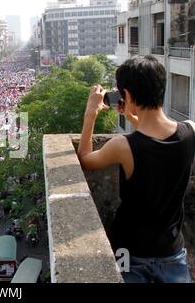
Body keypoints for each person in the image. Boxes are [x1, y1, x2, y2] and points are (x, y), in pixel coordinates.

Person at [77, 56, 195, 283]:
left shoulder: (123, 146)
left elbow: (85, 159)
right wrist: (133, 117)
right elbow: (160, 137)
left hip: (127, 252)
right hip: (172, 254)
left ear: (127, 95)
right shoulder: (190, 131)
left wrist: (90, 113)